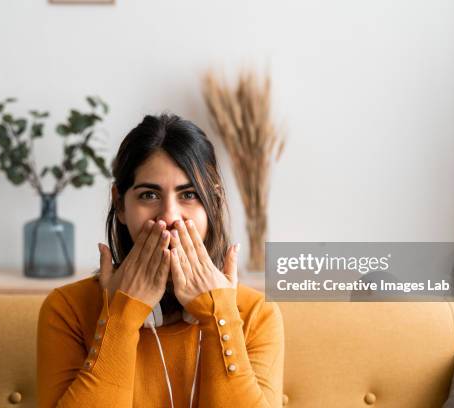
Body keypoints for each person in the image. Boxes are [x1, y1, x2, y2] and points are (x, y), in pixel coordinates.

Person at [36, 113, 284, 407]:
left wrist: (220, 316)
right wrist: (120, 320)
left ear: (213, 205)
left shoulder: (255, 314)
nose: (169, 216)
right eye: (150, 194)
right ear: (120, 204)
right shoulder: (68, 309)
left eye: (189, 194)